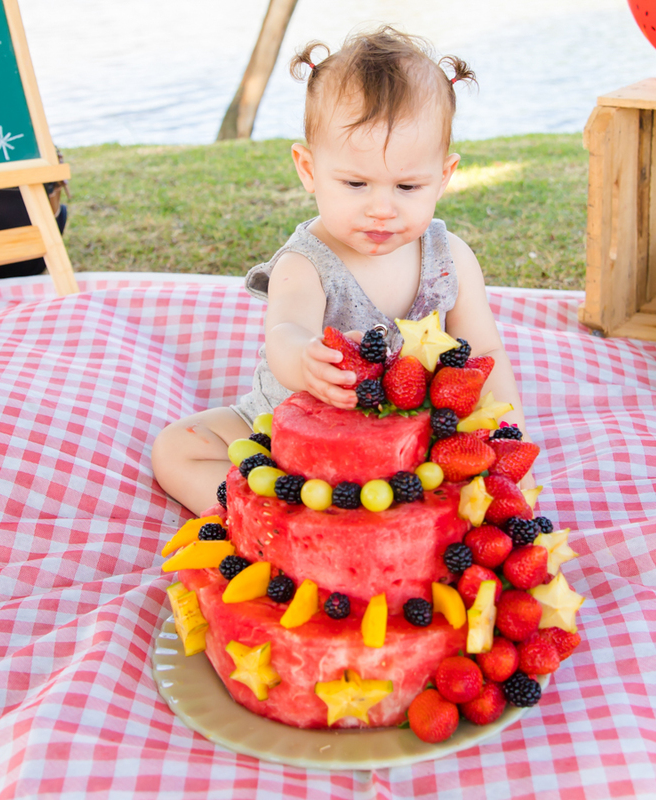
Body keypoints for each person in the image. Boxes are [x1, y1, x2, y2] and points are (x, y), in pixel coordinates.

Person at [152, 27, 529, 514]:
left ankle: (362, 518)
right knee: (176, 448)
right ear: (308, 169)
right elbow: (285, 331)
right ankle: (260, 522)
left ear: (444, 176)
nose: (381, 209)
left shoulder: (450, 256)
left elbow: (485, 351)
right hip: (288, 434)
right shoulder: (305, 262)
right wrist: (304, 360)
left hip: (412, 442)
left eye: (408, 187)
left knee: (460, 489)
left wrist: (504, 437)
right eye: (355, 183)